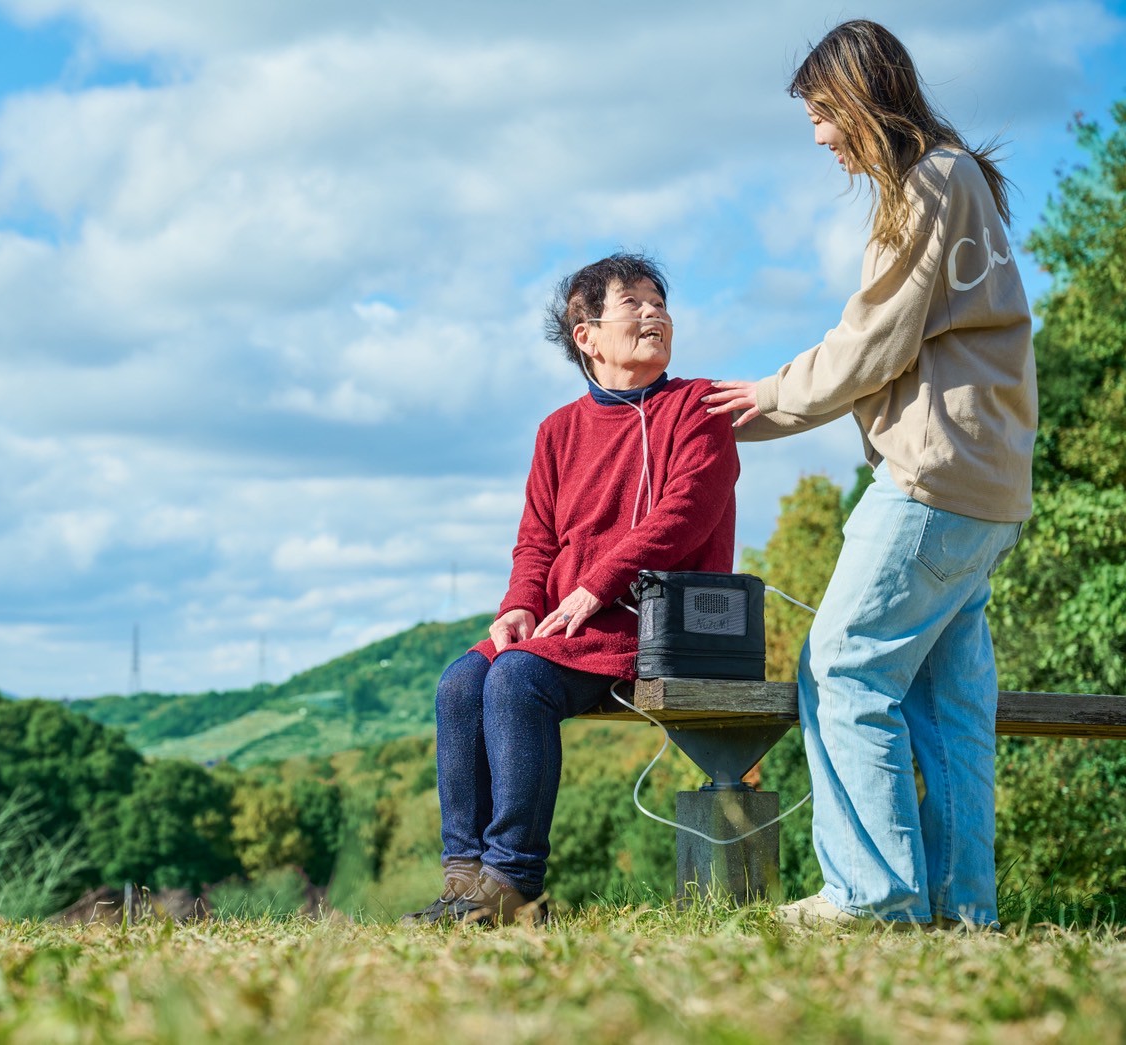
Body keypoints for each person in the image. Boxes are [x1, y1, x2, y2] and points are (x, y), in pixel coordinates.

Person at [703, 20, 1036, 930]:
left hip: (933, 481)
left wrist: (758, 403)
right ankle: (965, 909)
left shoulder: (929, 182)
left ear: (858, 96)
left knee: (841, 666)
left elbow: (871, 343)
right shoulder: (962, 179)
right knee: (944, 698)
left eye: (820, 113)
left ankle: (874, 893)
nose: (818, 137)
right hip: (990, 492)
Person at [402, 253, 739, 926]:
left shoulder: (696, 408)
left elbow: (684, 514)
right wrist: (518, 605)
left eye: (659, 303)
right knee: (459, 684)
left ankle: (513, 879)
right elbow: (534, 540)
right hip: (565, 625)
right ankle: (464, 880)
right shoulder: (556, 430)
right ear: (584, 333)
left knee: (517, 679)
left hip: (651, 627)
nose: (655, 314)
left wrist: (593, 587)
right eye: (634, 303)